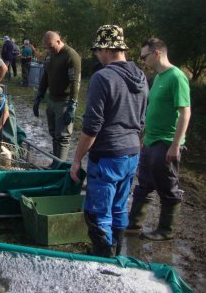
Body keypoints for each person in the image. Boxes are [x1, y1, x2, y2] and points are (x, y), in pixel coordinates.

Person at [70, 25, 148, 257]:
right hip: (132, 152)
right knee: (119, 206)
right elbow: (142, 118)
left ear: (105, 49)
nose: (96, 55)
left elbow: (92, 127)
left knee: (97, 211)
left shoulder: (102, 78)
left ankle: (102, 258)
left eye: (97, 51)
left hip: (108, 155)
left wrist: (76, 159)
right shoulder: (141, 77)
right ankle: (116, 251)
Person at [127, 38, 191, 241]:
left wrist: (175, 145)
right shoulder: (158, 77)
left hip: (166, 142)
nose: (142, 61)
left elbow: (185, 113)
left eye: (144, 57)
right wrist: (143, 137)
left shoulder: (176, 77)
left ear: (156, 54)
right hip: (151, 141)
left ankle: (166, 230)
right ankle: (133, 224)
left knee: (167, 187)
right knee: (143, 184)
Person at [32, 31, 81, 161]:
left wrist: (72, 105)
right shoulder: (50, 55)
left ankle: (61, 166)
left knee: (63, 136)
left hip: (64, 102)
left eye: (52, 47)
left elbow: (75, 82)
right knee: (54, 134)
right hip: (52, 99)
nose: (49, 50)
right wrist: (39, 95)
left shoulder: (71, 56)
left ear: (58, 41)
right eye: (47, 47)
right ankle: (55, 162)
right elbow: (46, 76)